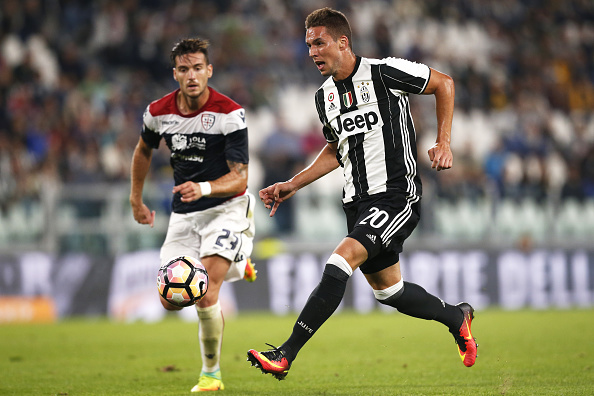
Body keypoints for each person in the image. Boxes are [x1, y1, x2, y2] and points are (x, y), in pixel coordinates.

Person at [247, 8, 477, 380]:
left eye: (319, 43)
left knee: (340, 261)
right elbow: (336, 148)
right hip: (356, 201)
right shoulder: (324, 97)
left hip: (395, 195)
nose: (312, 52)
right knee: (390, 292)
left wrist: (443, 141)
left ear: (343, 42)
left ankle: (286, 354)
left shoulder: (384, 72)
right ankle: (457, 317)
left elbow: (444, 83)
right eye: (308, 45)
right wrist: (294, 182)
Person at [129, 38, 257, 392]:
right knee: (169, 300)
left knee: (205, 292)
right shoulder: (158, 112)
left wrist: (203, 188)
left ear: (209, 70)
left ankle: (211, 374)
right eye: (184, 69)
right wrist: (135, 199)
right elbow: (143, 151)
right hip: (184, 215)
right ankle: (237, 263)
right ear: (175, 74)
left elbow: (241, 177)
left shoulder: (229, 113)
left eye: (198, 68)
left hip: (226, 208)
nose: (191, 75)